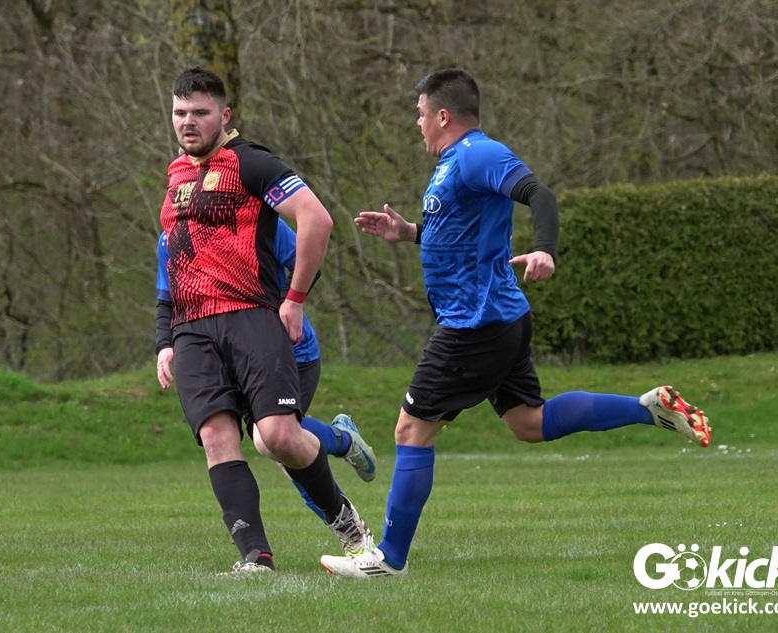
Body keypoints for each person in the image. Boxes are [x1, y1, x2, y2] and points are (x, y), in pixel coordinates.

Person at [319, 68, 712, 579]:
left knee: (411, 429)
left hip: (474, 325)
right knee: (529, 422)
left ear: (443, 115)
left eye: (420, 114)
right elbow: (461, 233)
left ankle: (388, 559)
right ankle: (646, 409)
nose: (417, 123)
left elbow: (539, 194)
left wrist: (545, 249)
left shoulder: (479, 153)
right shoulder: (453, 163)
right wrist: (411, 232)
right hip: (498, 317)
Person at [158, 66, 375, 573]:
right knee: (217, 439)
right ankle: (256, 558)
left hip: (251, 317)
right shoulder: (177, 175)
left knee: (276, 437)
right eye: (180, 113)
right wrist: (164, 339)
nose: (188, 122)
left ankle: (352, 530)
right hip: (192, 329)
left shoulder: (250, 162)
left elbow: (317, 219)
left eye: (200, 113)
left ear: (224, 115)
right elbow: (169, 267)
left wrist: (294, 299)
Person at [155, 221, 377, 522]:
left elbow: (308, 262)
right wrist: (165, 345)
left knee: (273, 441)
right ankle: (346, 510)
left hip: (291, 354)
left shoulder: (257, 218)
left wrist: (282, 309)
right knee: (277, 445)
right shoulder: (171, 237)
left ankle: (343, 456)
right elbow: (167, 300)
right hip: (231, 361)